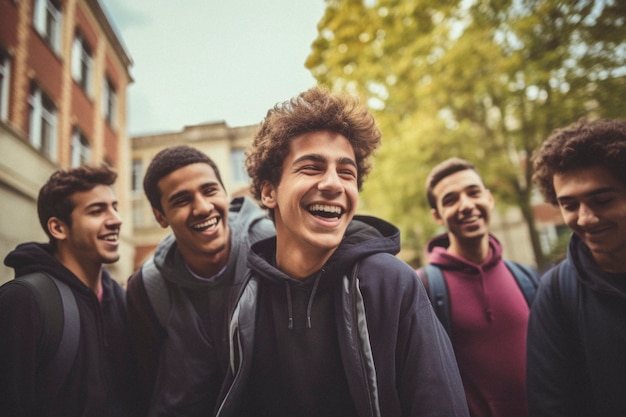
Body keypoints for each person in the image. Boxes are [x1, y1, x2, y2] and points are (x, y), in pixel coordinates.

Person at [215, 86, 469, 417]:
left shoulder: (392, 284)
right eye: (312, 167)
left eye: (346, 172)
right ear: (269, 192)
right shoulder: (245, 299)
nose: (334, 184)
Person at [125, 145, 275, 416]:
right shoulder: (146, 288)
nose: (203, 208)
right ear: (160, 216)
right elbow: (143, 385)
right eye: (182, 200)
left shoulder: (274, 247)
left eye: (210, 191)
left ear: (225, 193)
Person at [0, 165, 137, 416]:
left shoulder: (120, 298)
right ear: (58, 228)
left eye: (114, 207)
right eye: (97, 211)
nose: (116, 219)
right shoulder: (24, 300)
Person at [416, 157, 538, 417]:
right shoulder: (422, 288)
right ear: (437, 215)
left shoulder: (526, 278)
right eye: (451, 200)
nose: (467, 205)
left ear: (489, 199)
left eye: (473, 193)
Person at [527, 118, 626, 417]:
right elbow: (550, 404)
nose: (585, 218)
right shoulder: (556, 293)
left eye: (602, 200)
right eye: (569, 205)